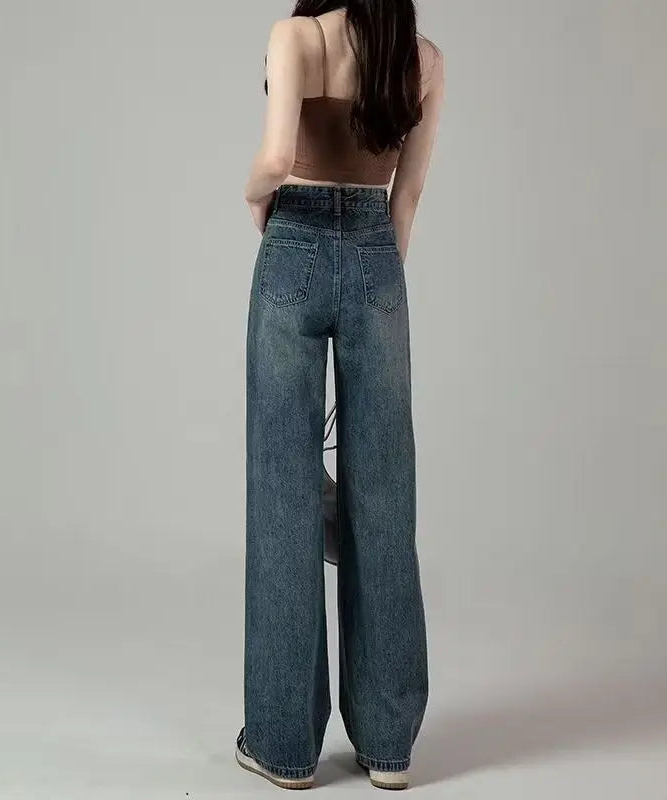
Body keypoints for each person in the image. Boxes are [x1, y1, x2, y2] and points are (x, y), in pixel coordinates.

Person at [236, 1, 444, 790]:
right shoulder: (424, 60)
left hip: (291, 244)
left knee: (283, 494)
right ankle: (389, 746)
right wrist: (372, 278)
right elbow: (407, 201)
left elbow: (274, 157)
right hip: (376, 256)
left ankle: (284, 746)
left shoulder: (296, 36)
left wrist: (256, 197)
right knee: (384, 495)